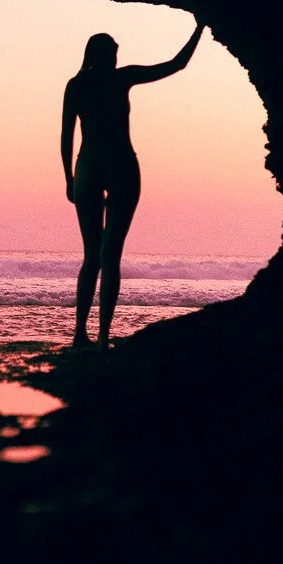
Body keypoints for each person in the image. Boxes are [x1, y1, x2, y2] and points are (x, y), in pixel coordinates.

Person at [61, 22, 206, 352]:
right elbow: (66, 133)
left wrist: (69, 178)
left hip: (94, 166)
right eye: (111, 53)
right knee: (102, 256)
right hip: (114, 165)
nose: (115, 58)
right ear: (97, 55)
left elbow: (174, 65)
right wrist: (201, 26)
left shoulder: (84, 83)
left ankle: (91, 335)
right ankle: (91, 336)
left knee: (100, 256)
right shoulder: (113, 79)